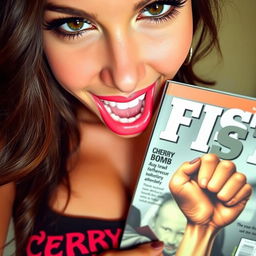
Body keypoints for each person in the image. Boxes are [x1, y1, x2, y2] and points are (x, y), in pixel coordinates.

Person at [0, 0, 253, 255]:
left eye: (155, 10)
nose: (125, 78)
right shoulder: (10, 137)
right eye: (75, 25)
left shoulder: (242, 144)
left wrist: (203, 229)